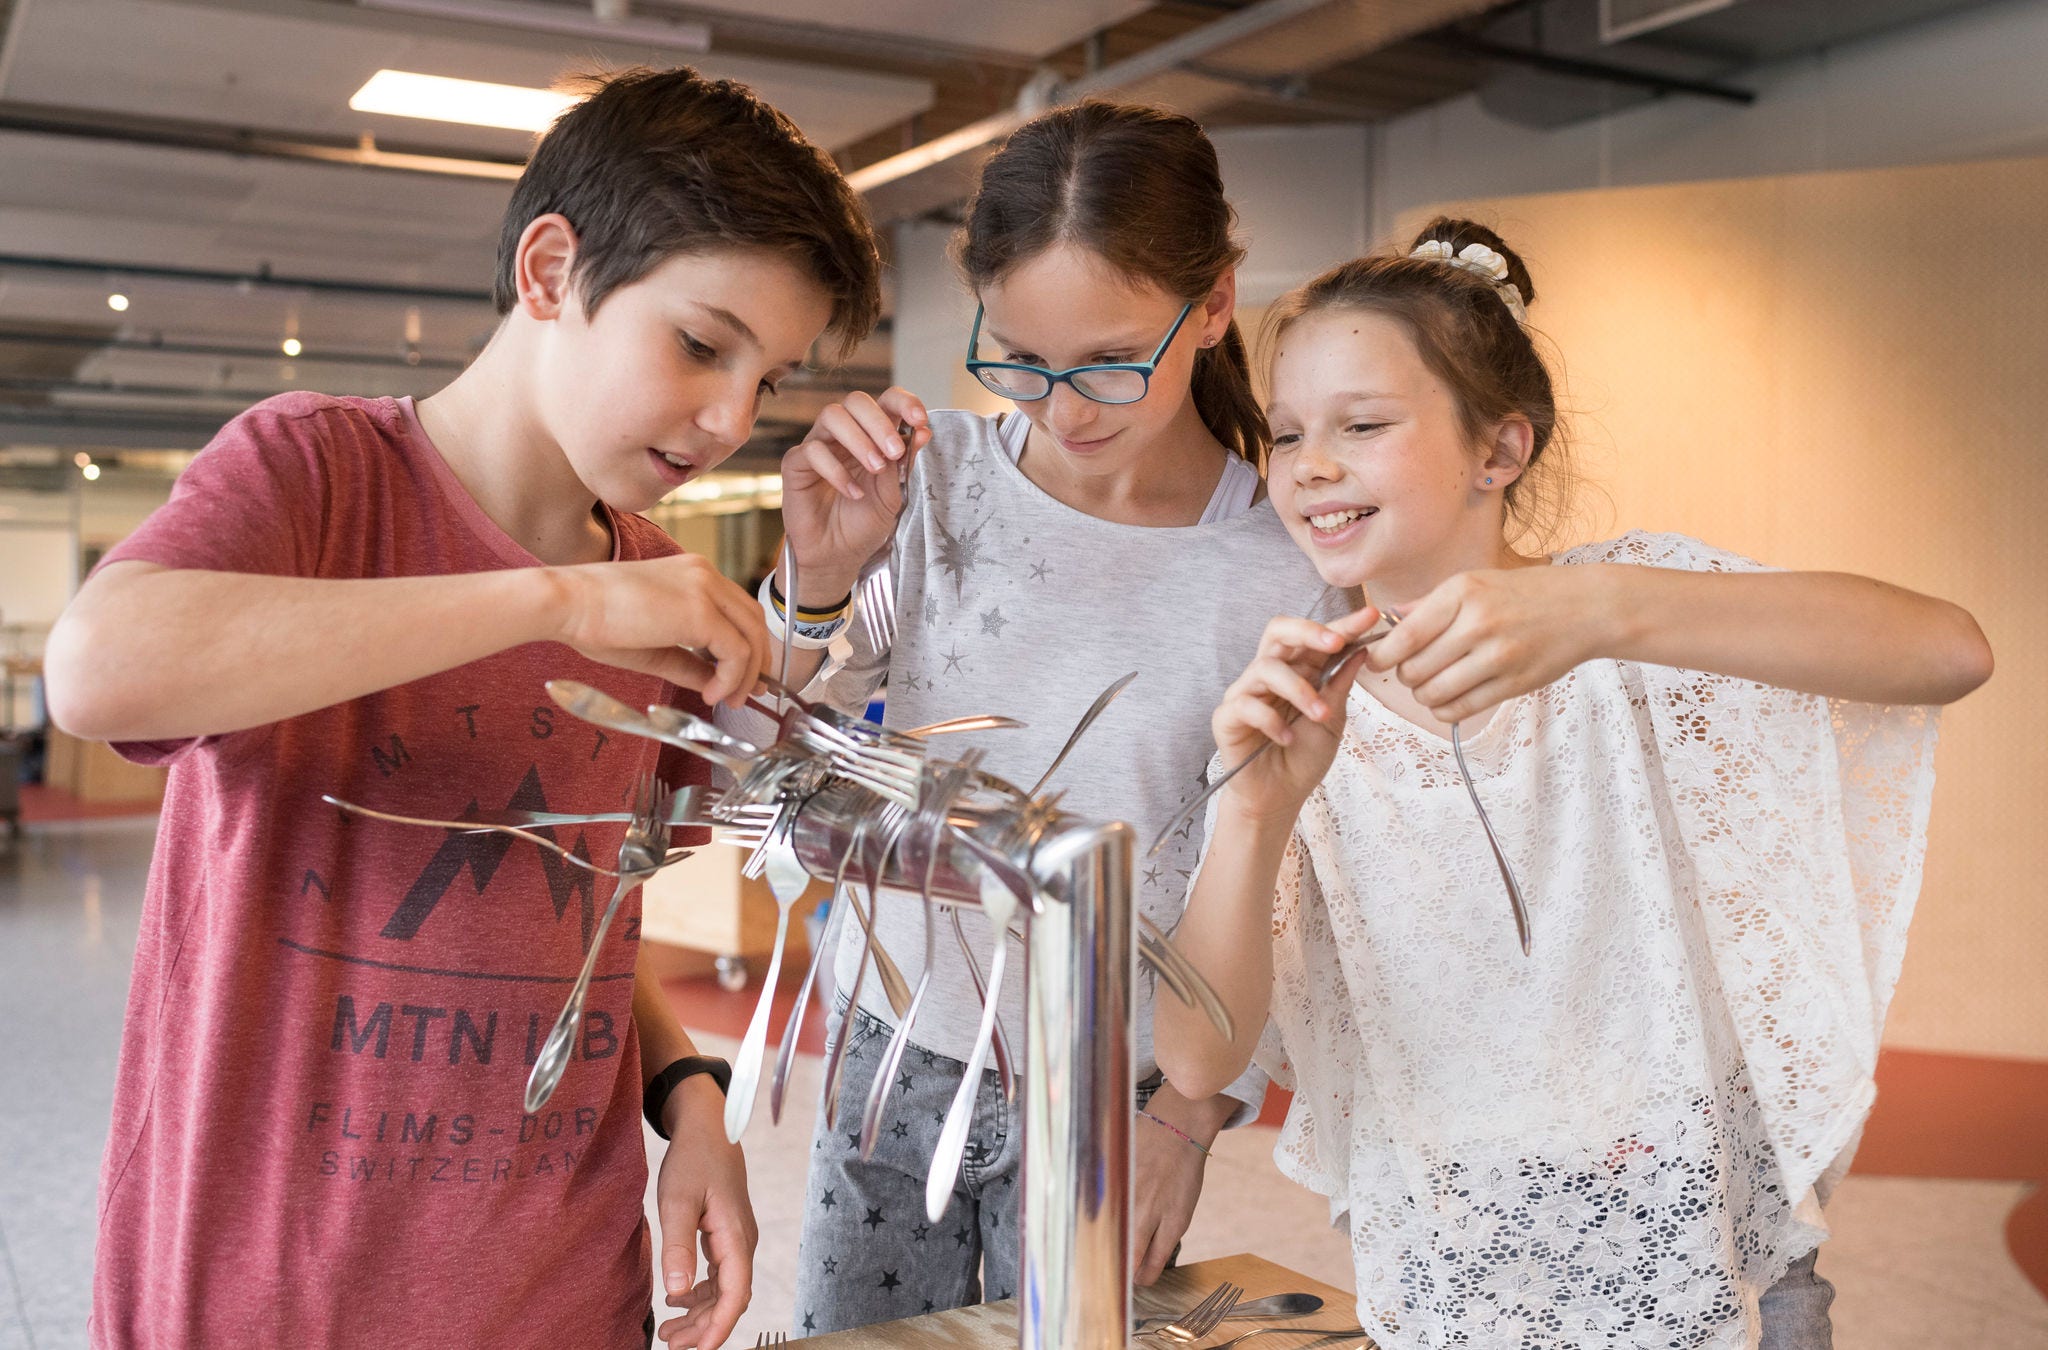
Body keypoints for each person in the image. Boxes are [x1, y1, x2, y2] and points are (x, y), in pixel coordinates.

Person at [45, 67, 882, 1350]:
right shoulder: (316, 474)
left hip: (558, 1287)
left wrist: (691, 1101)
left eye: (763, 380)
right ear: (550, 271)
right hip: (262, 1292)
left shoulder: (646, 586)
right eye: (701, 344)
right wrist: (549, 603)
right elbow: (101, 668)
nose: (728, 420)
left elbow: (584, 917)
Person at [1156, 219, 1993, 1349]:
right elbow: (1200, 1056)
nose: (1308, 465)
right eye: (1290, 432)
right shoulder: (1290, 703)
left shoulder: (1626, 623)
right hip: (1451, 1271)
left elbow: (1946, 651)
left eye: (1362, 425)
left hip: (1708, 1250)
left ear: (1498, 452)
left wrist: (1606, 610)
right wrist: (1253, 809)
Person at [759, 101, 1337, 1334]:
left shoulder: (1288, 565)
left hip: (1115, 1084)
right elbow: (772, 728)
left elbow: (1295, 876)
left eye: (1110, 361)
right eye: (1017, 359)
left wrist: (1190, 1116)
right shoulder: (929, 480)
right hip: (889, 1040)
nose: (1063, 409)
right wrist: (812, 581)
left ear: (1218, 303)